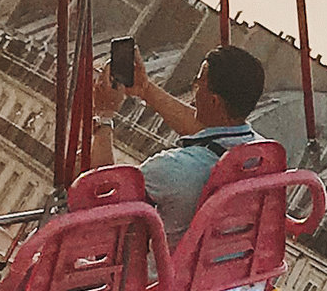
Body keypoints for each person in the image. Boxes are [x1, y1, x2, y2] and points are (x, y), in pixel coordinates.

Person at [92, 39, 268, 234]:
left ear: (214, 100)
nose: (193, 87)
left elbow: (102, 195)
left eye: (199, 83)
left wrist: (105, 114)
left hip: (159, 264)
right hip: (229, 263)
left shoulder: (174, 169)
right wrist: (145, 89)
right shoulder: (263, 156)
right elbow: (204, 128)